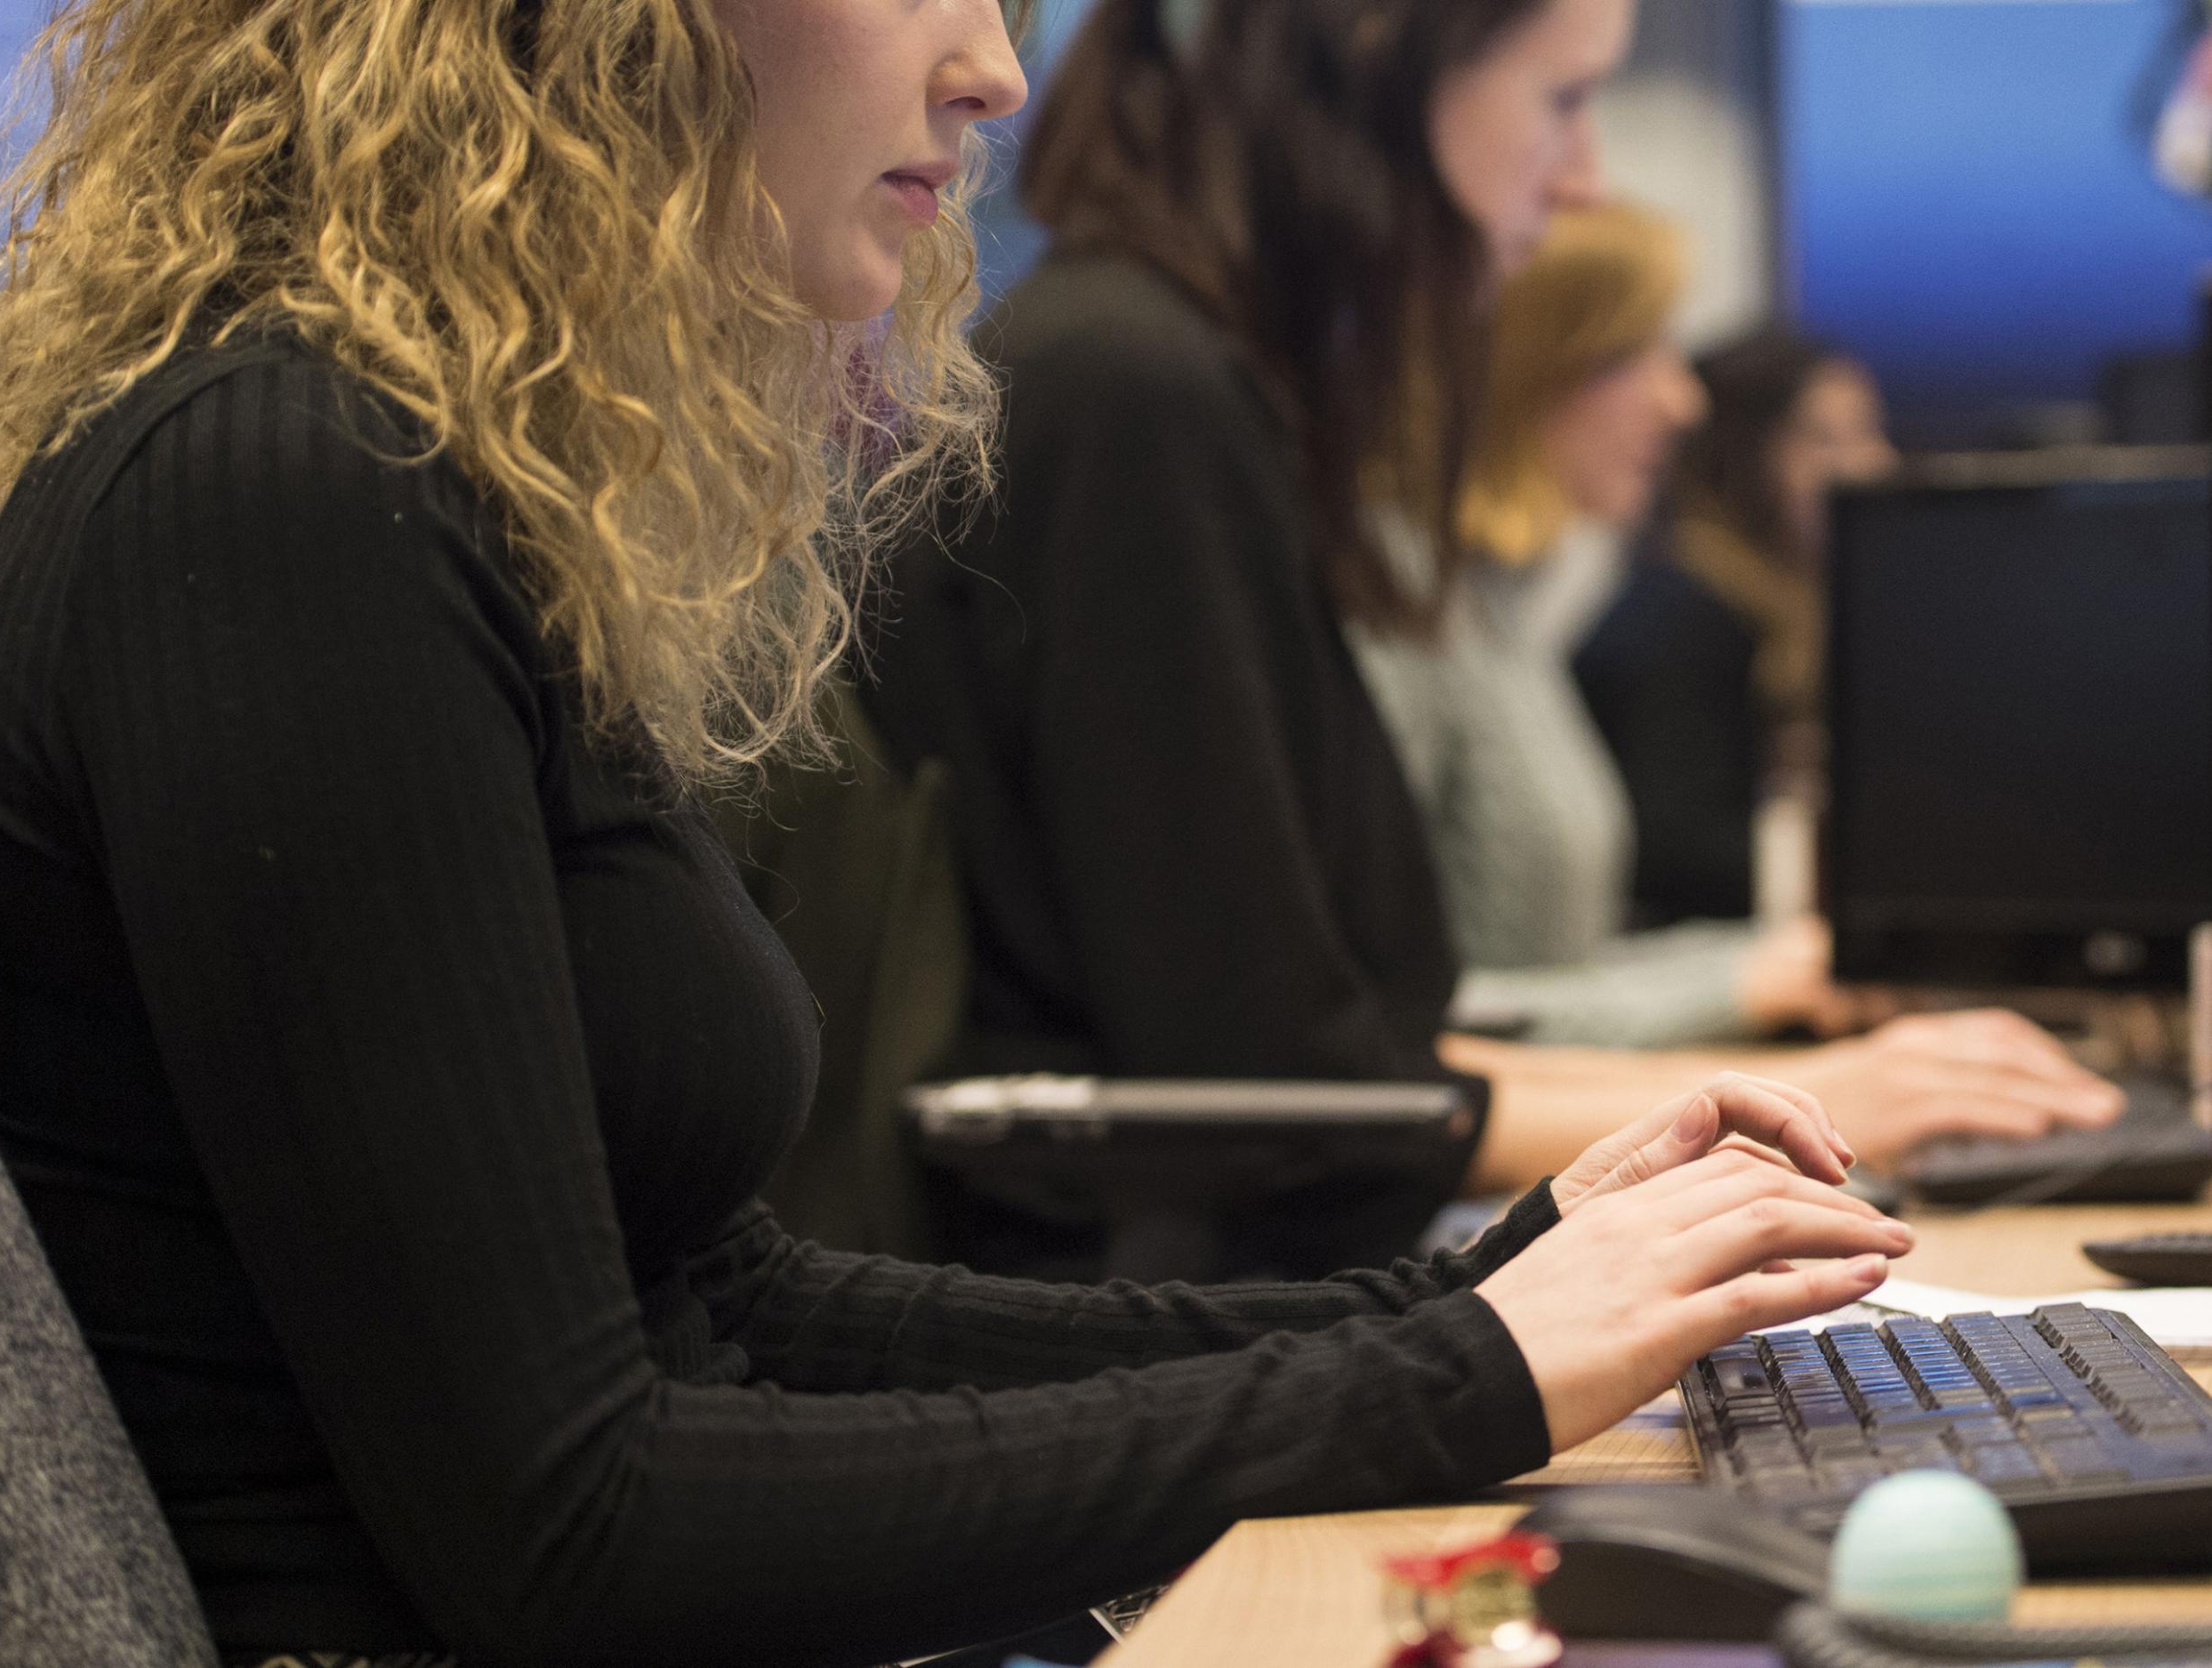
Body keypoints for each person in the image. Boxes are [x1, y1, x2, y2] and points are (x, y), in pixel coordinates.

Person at [0, 1, 1912, 1664]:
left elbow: (729, 1299)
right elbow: (567, 1524)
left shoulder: (444, 493)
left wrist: (1459, 1298)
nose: (994, 68)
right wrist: (1445, 1380)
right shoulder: (283, 504)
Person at [866, 0, 2119, 1262]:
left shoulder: (1191, 385)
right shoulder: (1134, 390)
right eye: (1564, 102)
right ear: (1366, 78)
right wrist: (1812, 1103)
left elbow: (1346, 1061)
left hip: (1230, 1321)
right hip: (1156, 1340)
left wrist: (1780, 1099)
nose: (1581, 182)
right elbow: (1285, 1094)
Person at [1350, 201, 1852, 1049]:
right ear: (1521, 368)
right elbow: (1391, 1026)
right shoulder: (1391, 607)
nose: (1683, 401)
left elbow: (1569, 971)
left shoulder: (1483, 608)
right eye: (1634, 353)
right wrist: (1740, 986)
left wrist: (1795, 964)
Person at [1575, 328, 1900, 927]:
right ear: (1744, 452)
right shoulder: (1682, 609)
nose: (1874, 464)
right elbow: (1671, 845)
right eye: (1828, 440)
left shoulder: (1792, 605)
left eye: (1871, 432)